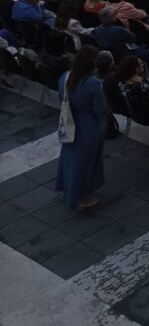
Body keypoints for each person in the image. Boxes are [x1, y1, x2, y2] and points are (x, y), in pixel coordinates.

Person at [55, 45, 106, 211]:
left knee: (71, 159)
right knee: (86, 162)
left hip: (69, 121)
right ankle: (80, 197)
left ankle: (70, 191)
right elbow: (99, 109)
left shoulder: (65, 77)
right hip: (88, 126)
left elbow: (61, 97)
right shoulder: (93, 83)